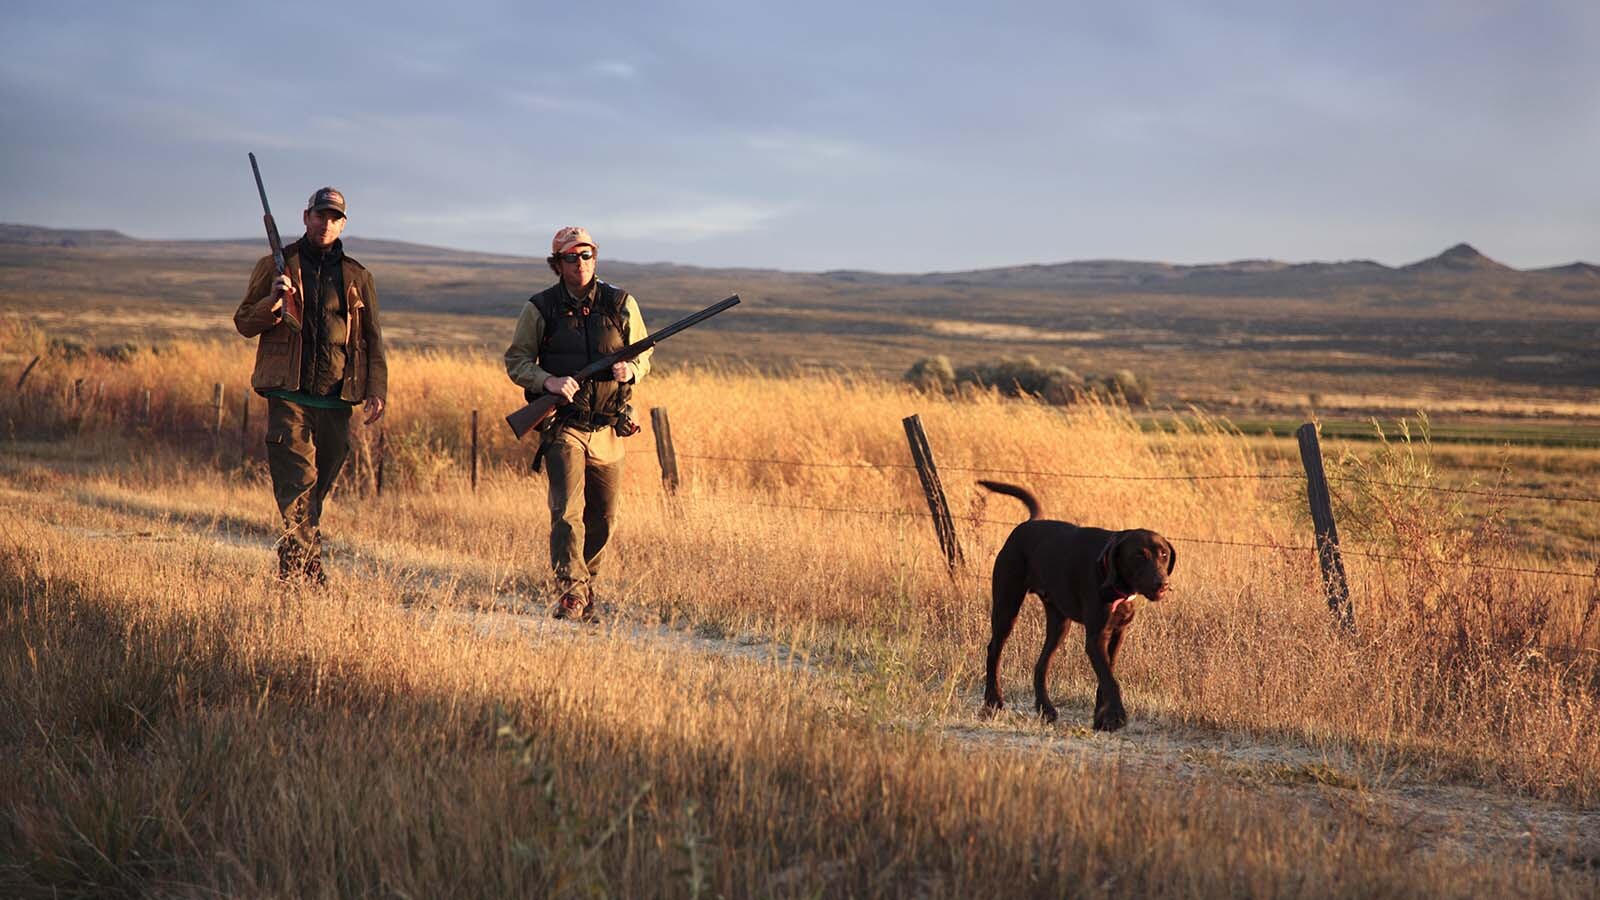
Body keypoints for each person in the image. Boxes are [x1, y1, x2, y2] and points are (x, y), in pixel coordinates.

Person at [234, 187, 388, 584]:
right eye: (320, 215)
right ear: (306, 217)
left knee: (316, 485)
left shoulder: (357, 275)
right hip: (289, 394)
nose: (326, 223)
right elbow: (244, 323)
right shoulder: (277, 265)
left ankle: (295, 560)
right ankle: (308, 569)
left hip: (338, 398)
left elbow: (372, 338)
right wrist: (273, 301)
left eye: (334, 217)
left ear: (343, 223)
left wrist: (376, 388)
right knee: (297, 481)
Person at [505, 226, 651, 621]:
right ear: (558, 264)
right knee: (567, 513)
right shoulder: (540, 308)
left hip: (607, 426)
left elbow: (645, 356)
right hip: (564, 425)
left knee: (603, 517)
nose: (580, 262)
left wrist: (629, 371)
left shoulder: (621, 303)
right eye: (571, 257)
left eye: (586, 255)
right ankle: (571, 591)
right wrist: (547, 382)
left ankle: (588, 586)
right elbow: (516, 362)